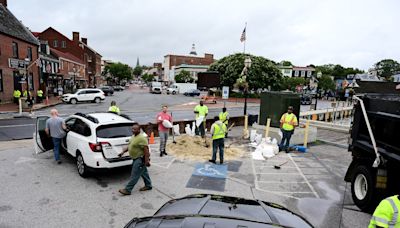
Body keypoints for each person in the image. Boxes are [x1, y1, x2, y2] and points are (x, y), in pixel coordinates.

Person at [118, 123, 152, 195]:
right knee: (143, 172)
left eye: (135, 129)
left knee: (135, 174)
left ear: (139, 130)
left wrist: (147, 161)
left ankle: (128, 190)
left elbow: (146, 150)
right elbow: (130, 145)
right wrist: (123, 152)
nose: (133, 130)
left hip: (140, 159)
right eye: (132, 129)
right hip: (135, 158)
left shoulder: (142, 138)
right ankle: (148, 185)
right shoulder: (133, 136)